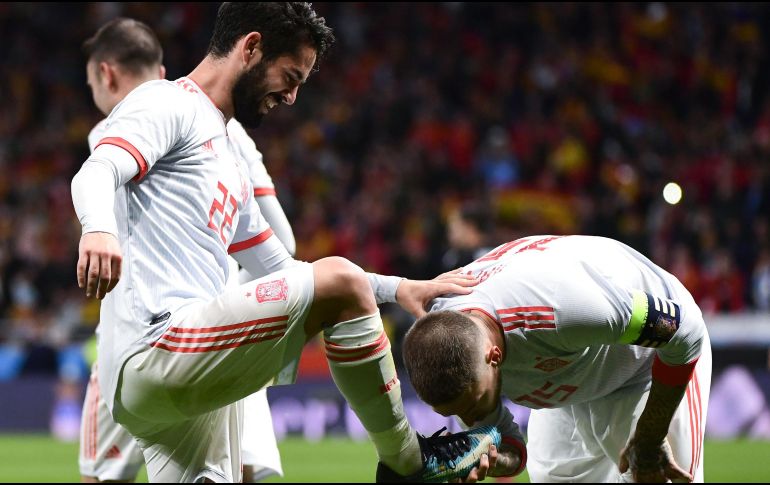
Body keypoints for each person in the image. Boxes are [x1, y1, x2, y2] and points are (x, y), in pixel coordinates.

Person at [70, 3, 498, 483]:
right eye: (290, 76)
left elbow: (280, 266)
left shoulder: (228, 154)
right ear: (250, 47)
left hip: (173, 378)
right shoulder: (168, 103)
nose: (293, 97)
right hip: (159, 344)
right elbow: (99, 170)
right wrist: (99, 229)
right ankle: (409, 462)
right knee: (338, 281)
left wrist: (397, 289)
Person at [78, 16, 292, 483]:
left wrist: (98, 230)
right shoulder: (234, 136)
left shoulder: (120, 126)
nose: (290, 97)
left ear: (106, 74)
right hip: (217, 329)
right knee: (235, 469)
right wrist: (239, 306)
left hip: (136, 337)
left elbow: (95, 178)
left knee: (103, 475)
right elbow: (285, 244)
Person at [403, 234, 712, 483]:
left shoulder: (564, 308)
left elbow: (686, 330)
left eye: (471, 408)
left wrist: (649, 436)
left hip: (644, 363)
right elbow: (510, 446)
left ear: (494, 357)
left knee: (653, 476)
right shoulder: (452, 348)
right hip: (567, 373)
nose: (470, 421)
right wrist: (495, 460)